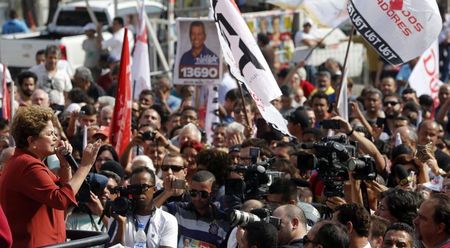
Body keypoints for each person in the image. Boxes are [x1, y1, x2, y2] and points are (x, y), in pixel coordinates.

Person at [0, 105, 101, 247]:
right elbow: (61, 200)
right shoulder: (27, 165)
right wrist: (85, 166)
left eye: (55, 133)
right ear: (31, 141)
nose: (55, 138)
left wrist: (65, 164)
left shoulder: (27, 162)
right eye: (49, 134)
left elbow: (65, 193)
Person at [108, 167, 178, 247]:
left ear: (154, 189)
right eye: (135, 188)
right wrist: (121, 224)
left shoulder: (167, 220)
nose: (140, 191)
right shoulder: (119, 216)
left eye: (144, 187)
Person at [166, 170, 230, 247]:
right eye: (193, 193)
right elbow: (150, 212)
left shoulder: (224, 221)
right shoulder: (177, 210)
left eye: (203, 194)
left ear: (213, 193)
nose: (197, 198)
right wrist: (166, 193)